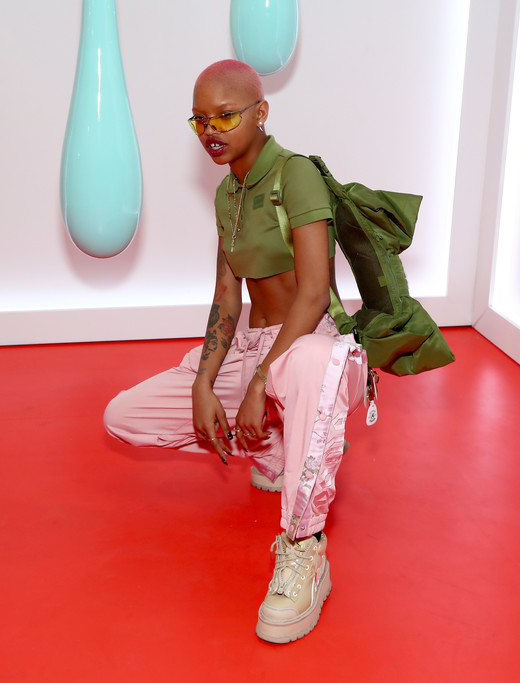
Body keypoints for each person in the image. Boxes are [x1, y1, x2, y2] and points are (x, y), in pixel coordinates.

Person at [103, 59, 368, 644]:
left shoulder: (295, 174)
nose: (211, 131)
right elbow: (227, 296)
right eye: (200, 120)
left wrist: (258, 384)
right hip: (256, 346)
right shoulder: (228, 193)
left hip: (314, 346)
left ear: (261, 112)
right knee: (123, 415)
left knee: (305, 364)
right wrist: (204, 382)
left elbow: (314, 293)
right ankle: (277, 447)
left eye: (225, 116)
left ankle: (304, 549)